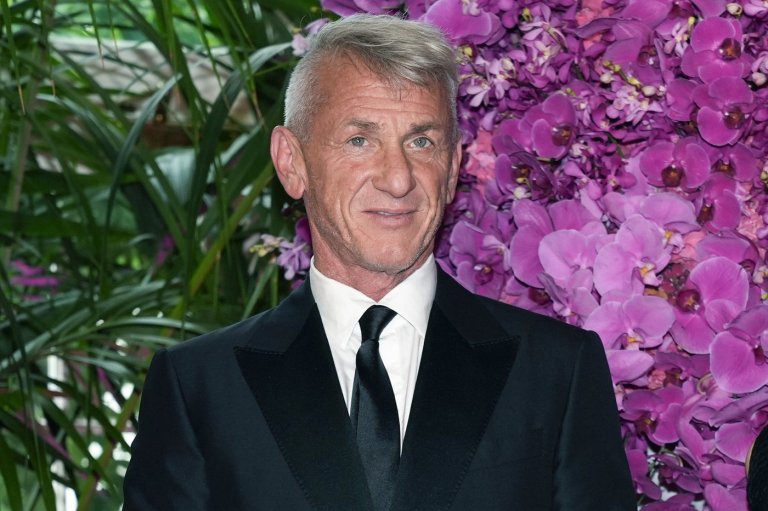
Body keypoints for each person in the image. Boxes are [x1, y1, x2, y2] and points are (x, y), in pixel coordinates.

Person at [123, 14, 635, 511]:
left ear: (453, 167)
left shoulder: (556, 372)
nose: (398, 178)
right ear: (291, 163)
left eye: (421, 141)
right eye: (360, 141)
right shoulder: (198, 387)